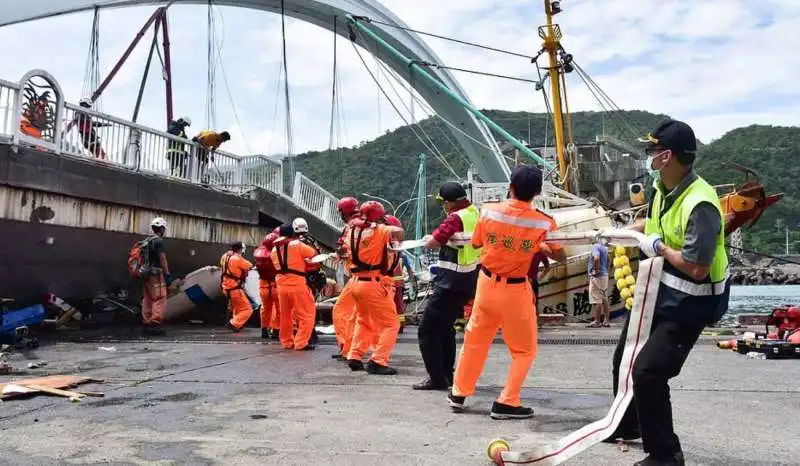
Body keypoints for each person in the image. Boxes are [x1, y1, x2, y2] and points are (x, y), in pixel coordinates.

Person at [604, 119, 729, 466]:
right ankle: (626, 425)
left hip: (691, 301)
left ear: (667, 156)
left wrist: (656, 247)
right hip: (658, 290)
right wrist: (622, 233)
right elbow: (653, 222)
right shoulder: (662, 187)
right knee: (625, 358)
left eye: (652, 150)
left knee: (648, 371)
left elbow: (696, 267)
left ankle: (666, 455)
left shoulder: (701, 204)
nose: (649, 156)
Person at [447, 165, 566, 419]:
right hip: (515, 289)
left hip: (486, 284)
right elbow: (561, 254)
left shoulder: (488, 211)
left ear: (510, 186)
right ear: (537, 192)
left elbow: (477, 242)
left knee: (475, 340)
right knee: (524, 350)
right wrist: (541, 246)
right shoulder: (544, 222)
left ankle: (459, 392)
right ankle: (507, 402)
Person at [413, 181, 481, 391]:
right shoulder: (474, 212)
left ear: (450, 203)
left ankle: (437, 377)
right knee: (445, 328)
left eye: (444, 203)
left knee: (427, 329)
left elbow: (435, 241)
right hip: (469, 279)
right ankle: (447, 374)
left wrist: (429, 239)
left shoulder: (455, 218)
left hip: (451, 281)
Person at [345, 201, 404, 375]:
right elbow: (399, 233)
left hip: (355, 282)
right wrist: (384, 226)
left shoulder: (352, 231)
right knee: (391, 323)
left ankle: (354, 355)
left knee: (363, 320)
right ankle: (378, 360)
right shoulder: (381, 231)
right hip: (373, 282)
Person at [272, 221, 318, 351]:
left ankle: (287, 341)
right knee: (307, 314)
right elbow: (313, 254)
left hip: (281, 285)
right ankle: (301, 342)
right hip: (297, 284)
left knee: (286, 315)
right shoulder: (298, 245)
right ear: (293, 232)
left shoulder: (274, 249)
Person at [331, 196, 361, 361]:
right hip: (364, 277)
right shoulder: (362, 225)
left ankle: (348, 349)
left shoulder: (351, 227)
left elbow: (345, 249)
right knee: (358, 317)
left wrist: (338, 254)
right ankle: (351, 350)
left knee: (341, 311)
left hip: (358, 277)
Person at [141, 217, 172, 336]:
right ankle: (154, 323)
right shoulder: (159, 241)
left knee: (147, 298)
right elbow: (162, 258)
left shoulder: (147, 240)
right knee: (160, 297)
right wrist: (167, 274)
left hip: (145, 273)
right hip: (155, 274)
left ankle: (146, 322)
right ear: (162, 228)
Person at [220, 241, 254, 332]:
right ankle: (233, 323)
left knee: (237, 307)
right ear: (240, 249)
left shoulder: (225, 256)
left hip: (226, 287)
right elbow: (250, 265)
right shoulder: (237, 258)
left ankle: (237, 325)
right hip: (234, 288)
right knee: (248, 309)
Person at [253, 232, 280, 340]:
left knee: (265, 309)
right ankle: (276, 331)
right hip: (276, 285)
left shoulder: (259, 254)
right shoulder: (277, 254)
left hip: (263, 286)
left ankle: (264, 330)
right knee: (278, 310)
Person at [587, 238, 611, 327]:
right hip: (604, 275)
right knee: (604, 298)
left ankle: (597, 321)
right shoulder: (604, 248)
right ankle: (607, 320)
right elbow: (609, 259)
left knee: (597, 299)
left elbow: (596, 258)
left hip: (597, 276)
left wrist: (596, 270)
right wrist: (606, 270)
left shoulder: (595, 247)